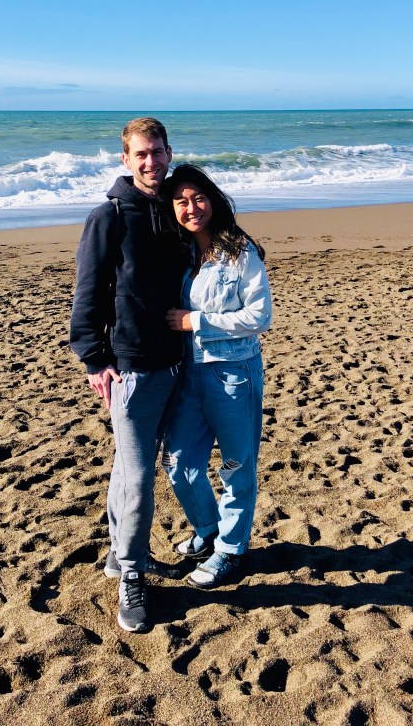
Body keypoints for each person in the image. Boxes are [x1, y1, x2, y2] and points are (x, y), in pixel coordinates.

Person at [69, 117, 184, 632]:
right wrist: (94, 358)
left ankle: (120, 554)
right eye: (141, 154)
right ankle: (132, 576)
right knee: (138, 476)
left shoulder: (178, 207)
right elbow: (88, 291)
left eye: (158, 151)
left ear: (168, 151)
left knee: (128, 466)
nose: (151, 161)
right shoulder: (109, 216)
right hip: (132, 366)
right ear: (125, 159)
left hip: (179, 360)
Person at [162, 164, 272, 589]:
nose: (192, 208)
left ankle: (230, 549)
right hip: (188, 373)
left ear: (213, 198)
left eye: (198, 197)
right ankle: (208, 531)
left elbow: (260, 316)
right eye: (181, 201)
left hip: (233, 375)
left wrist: (197, 321)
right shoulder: (179, 252)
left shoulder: (240, 251)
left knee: (235, 466)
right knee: (179, 462)